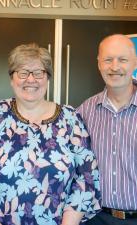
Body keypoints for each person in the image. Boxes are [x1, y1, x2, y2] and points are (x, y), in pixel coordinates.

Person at [0, 43, 101, 225]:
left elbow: (87, 178)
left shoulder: (71, 119)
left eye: (38, 72)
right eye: (23, 72)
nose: (30, 80)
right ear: (12, 78)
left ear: (47, 78)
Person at [78, 34, 137, 225]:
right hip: (96, 218)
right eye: (108, 59)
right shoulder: (85, 111)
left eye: (123, 59)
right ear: (99, 64)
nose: (115, 67)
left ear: (135, 63)